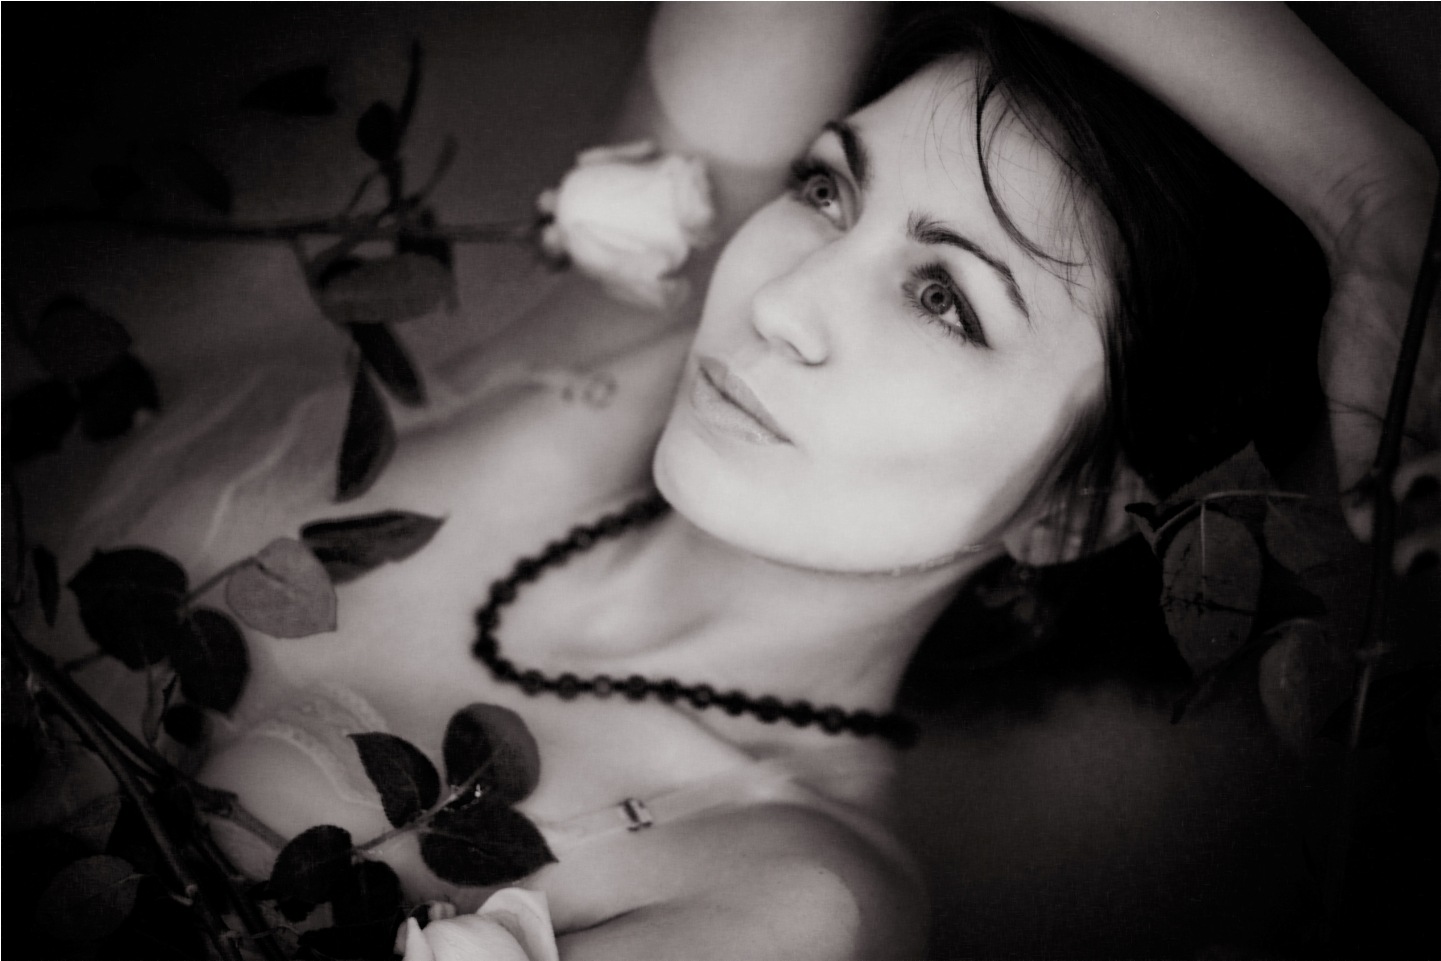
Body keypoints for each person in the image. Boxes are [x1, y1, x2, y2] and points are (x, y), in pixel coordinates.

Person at [20, 5, 1438, 959]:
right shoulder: (627, 315)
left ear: (1076, 509)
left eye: (945, 299)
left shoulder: (786, 896)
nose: (781, 300)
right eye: (826, 189)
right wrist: (1366, 191)